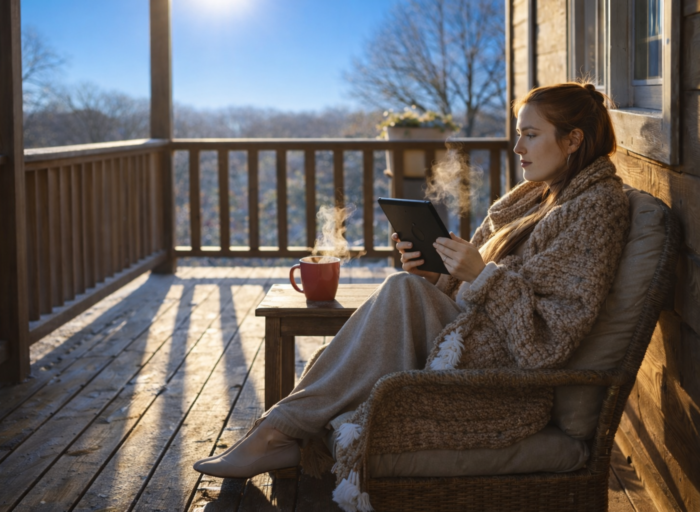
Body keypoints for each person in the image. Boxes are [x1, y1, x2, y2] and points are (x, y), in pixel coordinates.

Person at [193, 82, 631, 511]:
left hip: (500, 372)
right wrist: (436, 274)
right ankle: (282, 433)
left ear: (573, 139)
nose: (518, 147)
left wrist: (480, 274)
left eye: (530, 135)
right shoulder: (534, 198)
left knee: (400, 291)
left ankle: (276, 432)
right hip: (468, 332)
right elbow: (476, 284)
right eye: (518, 133)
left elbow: (550, 339)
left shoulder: (595, 209)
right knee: (406, 284)